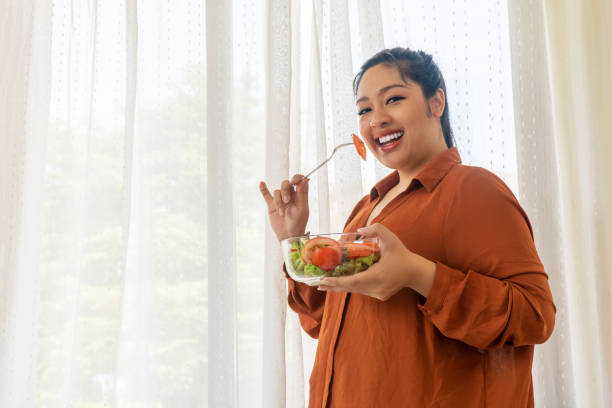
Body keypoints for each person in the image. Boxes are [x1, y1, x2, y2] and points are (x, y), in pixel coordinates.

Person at [259, 47, 555, 408]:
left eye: (393, 99)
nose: (376, 119)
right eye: (364, 109)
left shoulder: (474, 189)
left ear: (436, 102)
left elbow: (535, 315)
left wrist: (418, 273)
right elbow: (327, 322)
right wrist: (293, 237)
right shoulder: (366, 209)